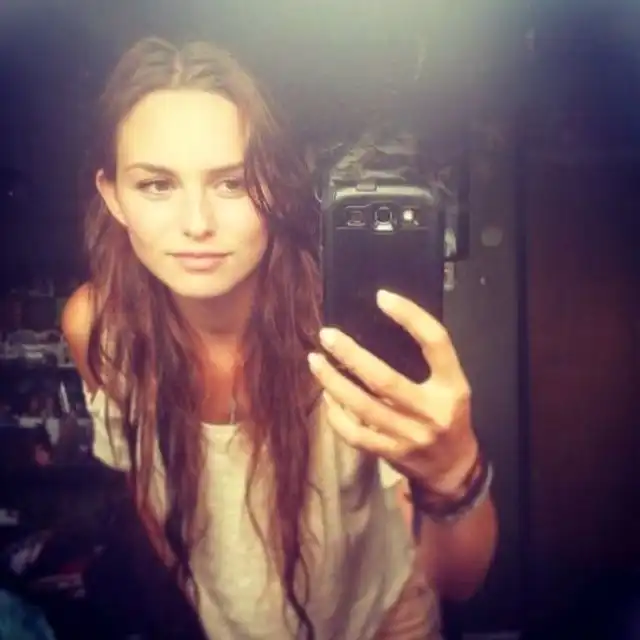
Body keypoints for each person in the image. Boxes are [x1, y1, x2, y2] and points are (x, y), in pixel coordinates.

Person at [61, 37, 497, 640]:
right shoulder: (99, 326)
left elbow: (457, 580)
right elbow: (144, 484)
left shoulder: (342, 327)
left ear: (275, 189)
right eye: (157, 185)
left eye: (232, 183)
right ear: (114, 197)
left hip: (382, 620)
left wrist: (453, 475)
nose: (196, 223)